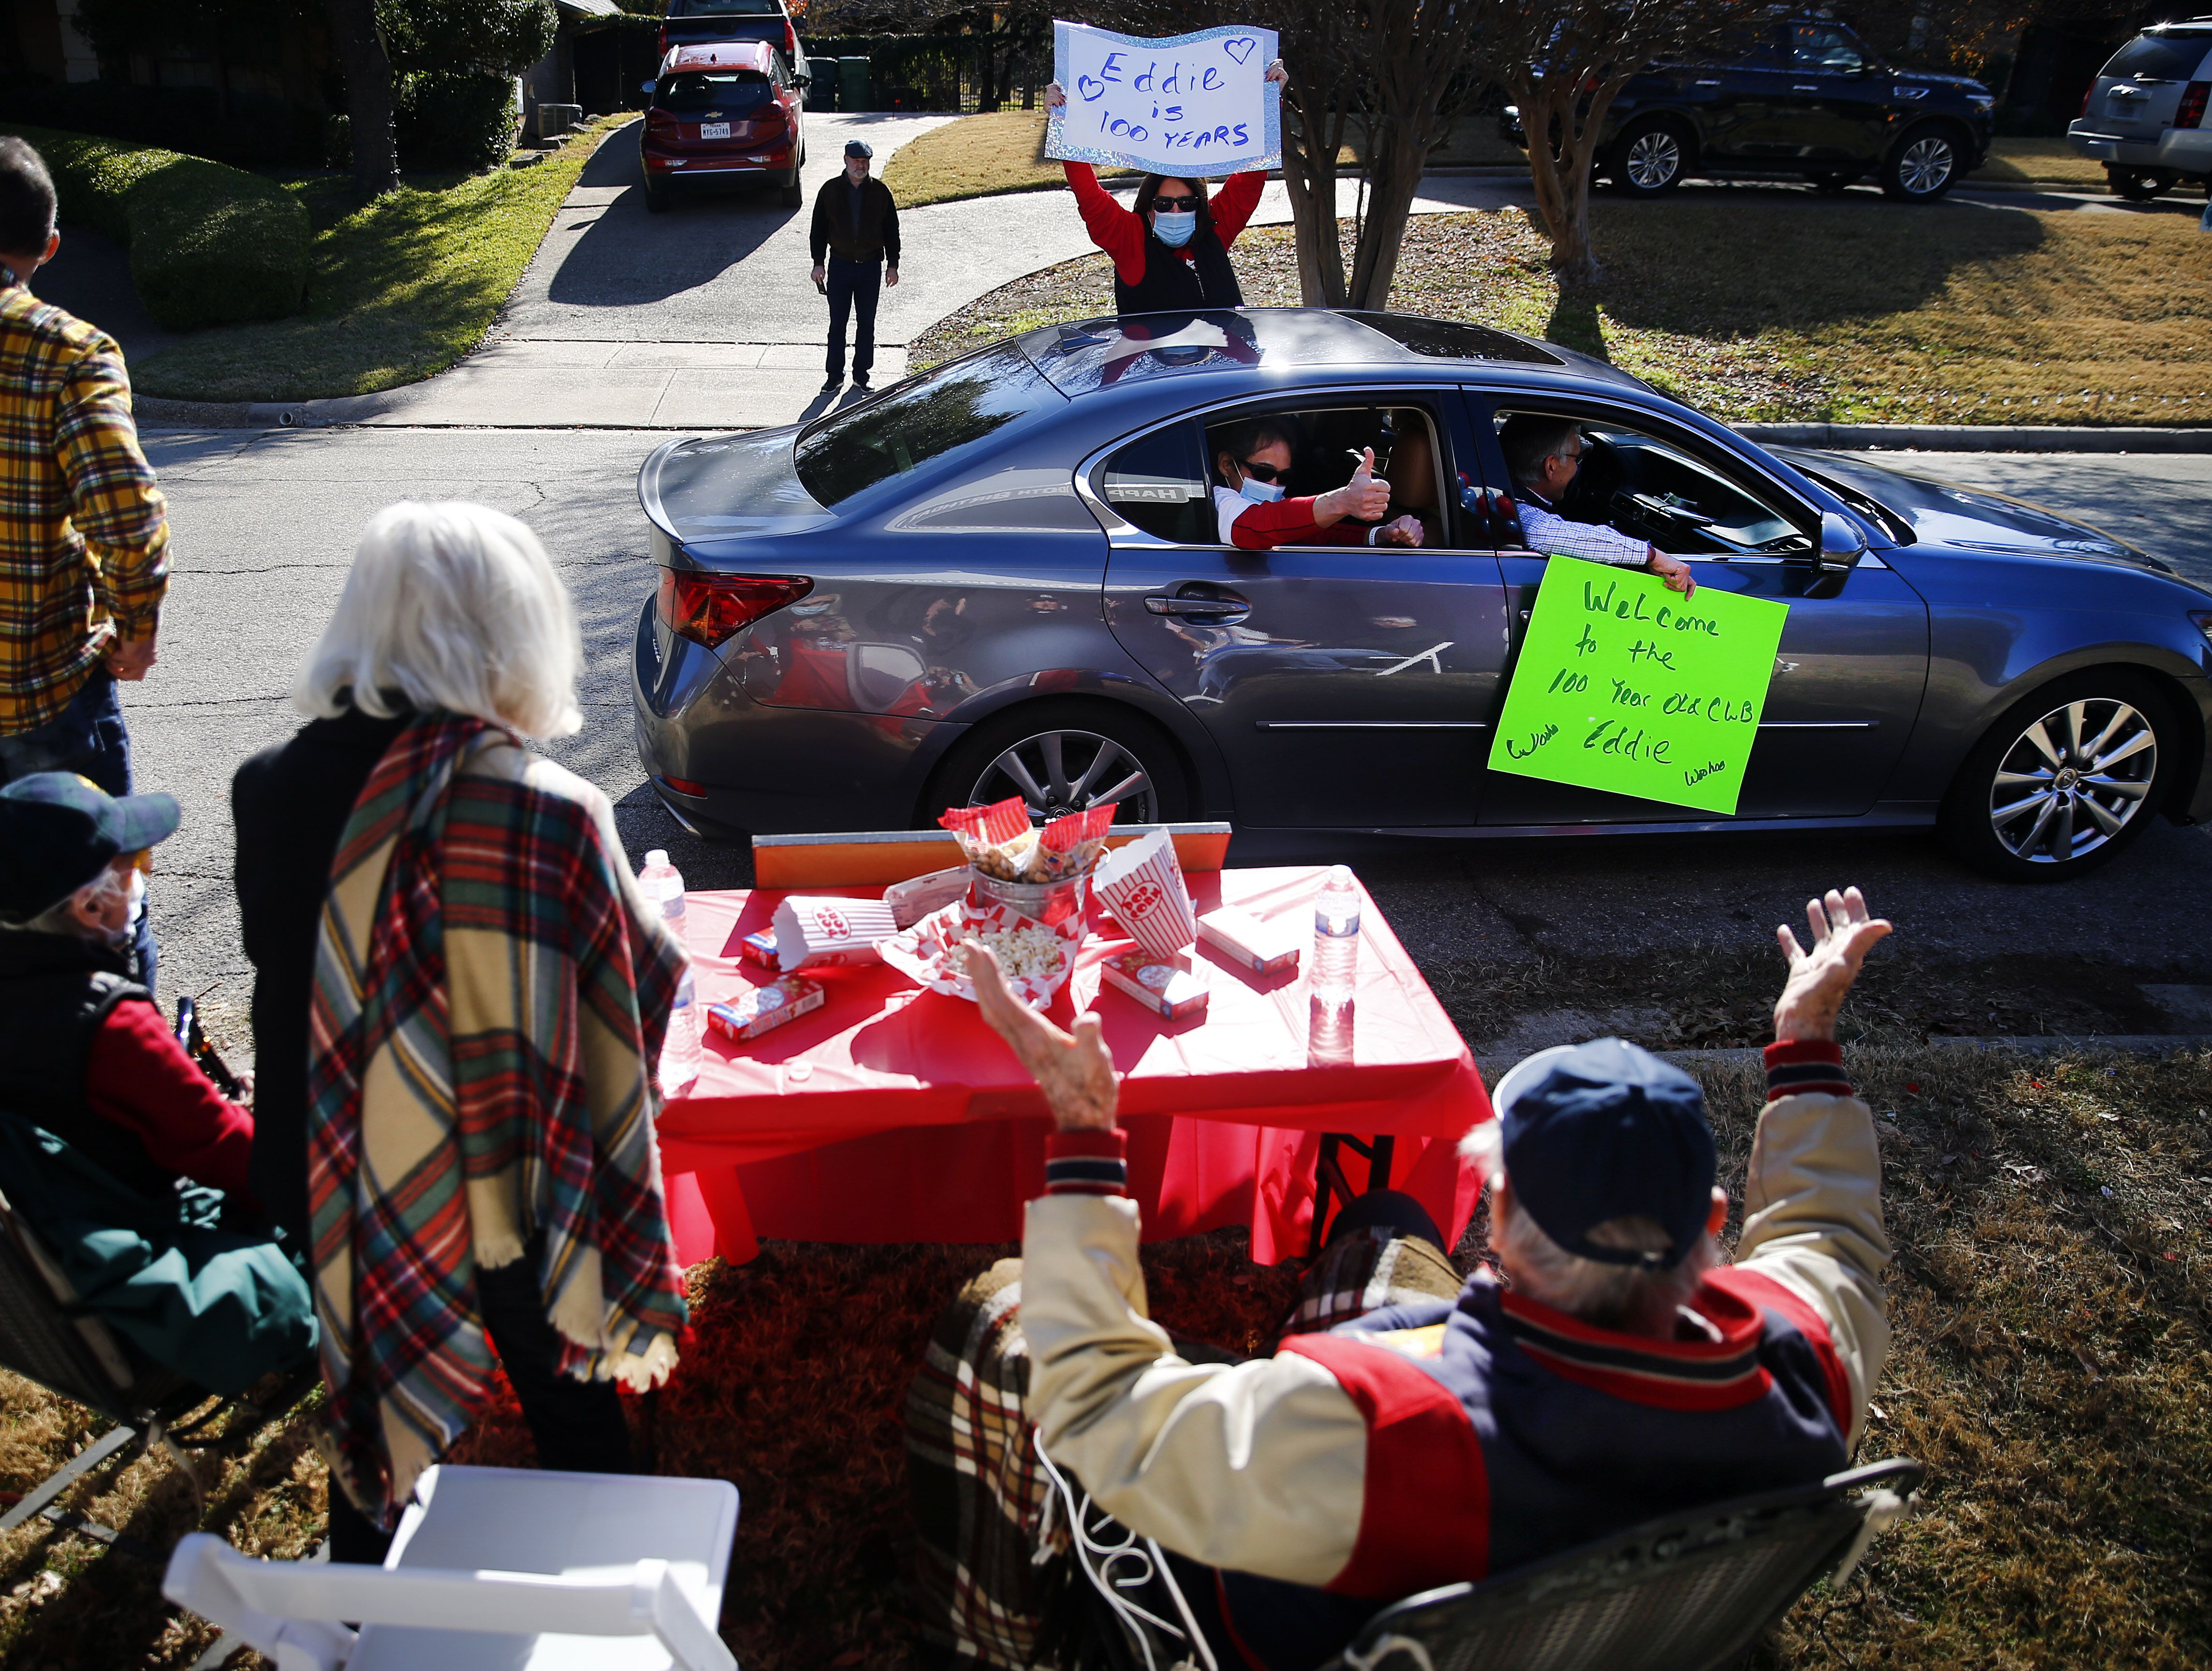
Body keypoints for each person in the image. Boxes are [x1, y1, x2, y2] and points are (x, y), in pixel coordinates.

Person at [908, 886, 1892, 1669]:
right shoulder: (1807, 1350)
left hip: (1247, 1619)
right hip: (1610, 1616)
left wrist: (1084, 1144)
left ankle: (996, 1643)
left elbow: (1104, 1409)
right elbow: (1828, 1236)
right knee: (1385, 1226)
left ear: (1500, 1224)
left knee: (1003, 1318)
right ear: (1712, 1221)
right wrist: (1802, 1043)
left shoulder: (1379, 1432)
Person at [233, 502, 691, 1561]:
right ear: (515, 632)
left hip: (333, 1168)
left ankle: (365, 1591)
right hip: (512, 1175)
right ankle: (610, 1579)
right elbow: (639, 986)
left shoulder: (270, 789)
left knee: (373, 1402)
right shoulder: (550, 809)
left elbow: (285, 970)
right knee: (562, 1384)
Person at [0, 773, 311, 1395]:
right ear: (90, 907)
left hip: (58, 1261)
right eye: (136, 864)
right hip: (147, 1244)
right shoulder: (110, 1024)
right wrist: (269, 1117)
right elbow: (239, 1160)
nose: (144, 877)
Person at [0, 137, 170, 995]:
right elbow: (126, 515)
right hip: (47, 696)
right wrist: (135, 632)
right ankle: (132, 1077)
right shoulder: (67, 353)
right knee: (101, 908)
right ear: (50, 244)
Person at [1042, 61, 1288, 314]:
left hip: (1220, 354)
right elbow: (1089, 194)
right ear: (1150, 209)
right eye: (1164, 204)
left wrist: (1269, 101)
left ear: (1199, 206)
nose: (1175, 211)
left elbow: (1250, 179)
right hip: (1151, 354)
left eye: (1186, 203)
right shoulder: (1132, 241)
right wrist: (1063, 118)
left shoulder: (1214, 231)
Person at [1498, 412, 1698, 597]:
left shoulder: (1499, 491)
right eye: (1577, 458)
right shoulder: (1517, 510)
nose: (1578, 467)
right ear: (1551, 466)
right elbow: (1549, 534)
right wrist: (1652, 556)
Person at [1212, 415, 1423, 550]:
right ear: (1226, 465)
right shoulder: (1221, 502)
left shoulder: (1272, 501)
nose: (1275, 485)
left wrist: (1384, 535)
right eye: (1264, 473)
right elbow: (1261, 524)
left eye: (1285, 477)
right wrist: (1344, 501)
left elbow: (1318, 534)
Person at [810, 139, 901, 393]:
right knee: (837, 324)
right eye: (856, 161)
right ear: (846, 161)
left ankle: (862, 374)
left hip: (870, 267)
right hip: (840, 265)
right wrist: (818, 263)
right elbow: (818, 230)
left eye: (865, 162)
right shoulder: (829, 191)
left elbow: (892, 231)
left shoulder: (881, 192)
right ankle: (834, 375)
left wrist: (893, 265)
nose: (861, 166)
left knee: (866, 323)